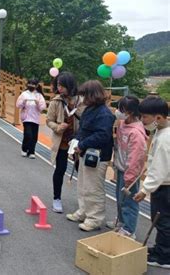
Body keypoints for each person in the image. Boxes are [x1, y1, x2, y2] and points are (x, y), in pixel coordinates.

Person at [67, 80, 115, 232]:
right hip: (86, 153)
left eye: (84, 95)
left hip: (97, 156)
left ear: (91, 95)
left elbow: (103, 135)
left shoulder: (104, 114)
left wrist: (82, 144)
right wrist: (75, 141)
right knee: (83, 184)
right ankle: (84, 211)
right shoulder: (90, 109)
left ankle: (94, 218)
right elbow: (84, 130)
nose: (82, 99)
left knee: (93, 187)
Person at [134, 96, 170, 269]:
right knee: (163, 220)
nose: (142, 120)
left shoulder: (164, 138)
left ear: (158, 118)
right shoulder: (161, 132)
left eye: (145, 117)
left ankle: (164, 257)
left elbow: (159, 169)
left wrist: (144, 190)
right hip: (162, 184)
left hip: (164, 186)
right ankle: (161, 249)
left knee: (163, 221)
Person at [105, 96, 147, 238]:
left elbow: (136, 157)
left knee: (129, 202)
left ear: (130, 112)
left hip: (131, 173)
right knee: (120, 198)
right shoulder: (123, 124)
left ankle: (129, 229)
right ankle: (121, 222)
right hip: (121, 167)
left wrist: (130, 176)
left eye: (121, 110)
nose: (118, 112)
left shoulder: (136, 133)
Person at [46, 72, 83, 213]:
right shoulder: (56, 101)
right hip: (62, 140)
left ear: (70, 85)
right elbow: (49, 120)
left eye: (62, 86)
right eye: (58, 85)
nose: (59, 88)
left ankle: (83, 201)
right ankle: (56, 198)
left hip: (78, 141)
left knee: (82, 171)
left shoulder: (81, 100)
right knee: (60, 169)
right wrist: (57, 127)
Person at [17, 78, 46, 159]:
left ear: (36, 86)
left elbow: (43, 107)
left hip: (35, 119)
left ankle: (31, 151)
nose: (31, 86)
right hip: (26, 118)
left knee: (34, 136)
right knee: (28, 134)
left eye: (33, 84)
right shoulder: (24, 94)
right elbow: (18, 105)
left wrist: (37, 104)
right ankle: (24, 148)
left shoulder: (39, 95)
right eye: (30, 83)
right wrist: (23, 102)